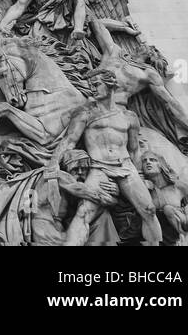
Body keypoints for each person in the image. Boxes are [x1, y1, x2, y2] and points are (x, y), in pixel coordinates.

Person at [46, 70, 162, 246]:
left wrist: (141, 176)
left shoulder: (129, 117)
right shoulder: (85, 113)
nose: (92, 88)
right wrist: (53, 163)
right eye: (90, 85)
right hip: (99, 169)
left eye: (96, 84)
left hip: (126, 168)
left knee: (149, 210)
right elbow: (69, 141)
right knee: (83, 213)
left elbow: (134, 150)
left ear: (110, 84)